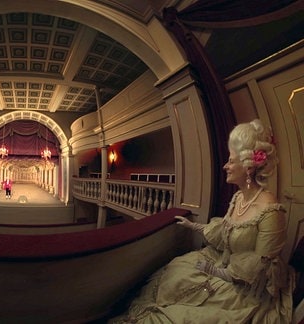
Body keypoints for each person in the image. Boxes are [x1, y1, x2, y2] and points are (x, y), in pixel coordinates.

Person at [112, 119, 294, 323]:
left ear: (249, 167)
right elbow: (225, 234)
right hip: (224, 265)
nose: (226, 166)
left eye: (231, 161)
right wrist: (193, 226)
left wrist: (215, 272)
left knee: (181, 315)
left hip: (246, 289)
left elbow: (260, 272)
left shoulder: (270, 210)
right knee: (175, 272)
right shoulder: (239, 198)